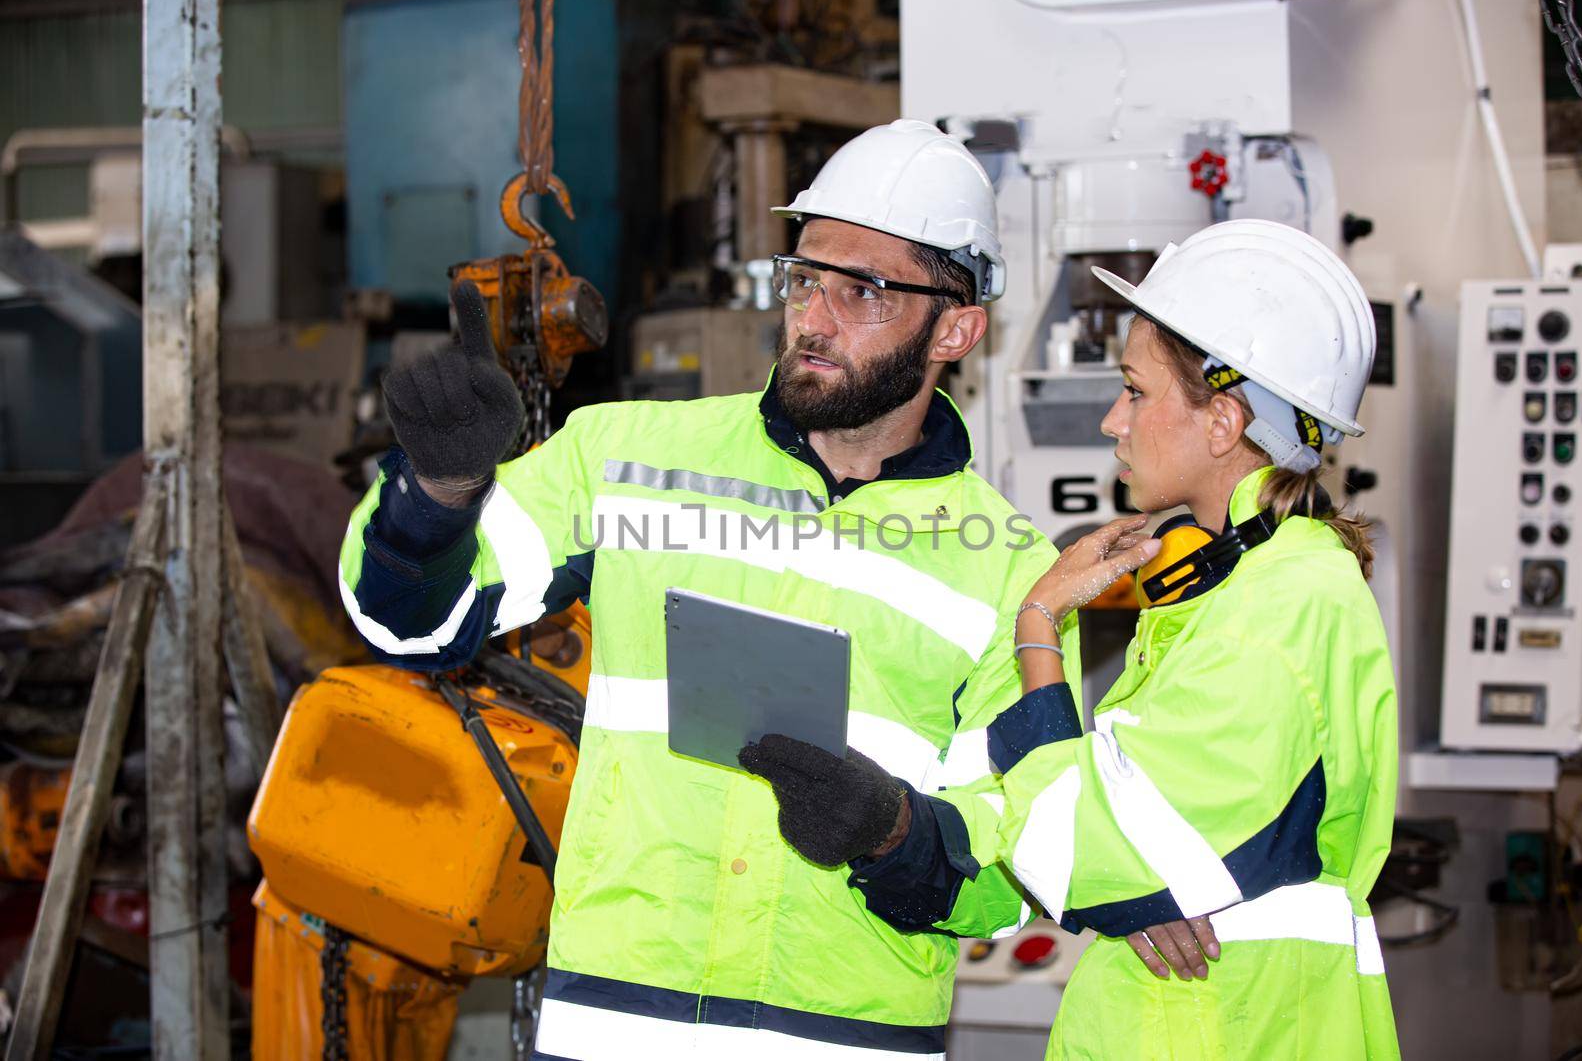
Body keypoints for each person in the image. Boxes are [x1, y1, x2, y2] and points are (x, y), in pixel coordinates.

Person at [342, 119, 1108, 1060]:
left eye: (862, 290)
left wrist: (894, 831)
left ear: (955, 327)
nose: (813, 318)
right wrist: (438, 495)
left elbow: (1013, 858)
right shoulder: (624, 460)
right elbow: (411, 624)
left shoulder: (1012, 569)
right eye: (805, 279)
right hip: (612, 1032)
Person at [744, 219, 1402, 1059]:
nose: (1110, 421)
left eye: (1135, 390)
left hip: (1230, 1029)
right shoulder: (1246, 590)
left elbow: (1077, 850)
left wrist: (1037, 626)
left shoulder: (1279, 606)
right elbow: (1111, 845)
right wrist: (1130, 875)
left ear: (1224, 420)